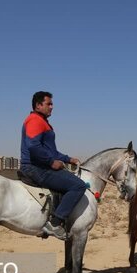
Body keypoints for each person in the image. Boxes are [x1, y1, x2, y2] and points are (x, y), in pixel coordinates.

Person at [19, 91, 87, 240]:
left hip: (40, 166)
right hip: (35, 168)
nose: (52, 107)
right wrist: (51, 162)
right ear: (38, 105)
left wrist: (68, 159)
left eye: (52, 104)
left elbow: (52, 152)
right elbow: (33, 146)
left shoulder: (43, 122)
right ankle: (55, 222)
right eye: (48, 104)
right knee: (79, 186)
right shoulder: (34, 120)